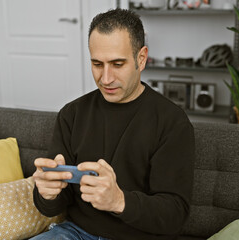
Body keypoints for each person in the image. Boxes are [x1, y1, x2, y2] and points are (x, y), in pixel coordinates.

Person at [31, 8, 195, 240]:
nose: (105, 78)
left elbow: (175, 215)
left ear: (141, 58)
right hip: (76, 233)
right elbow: (55, 206)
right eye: (97, 64)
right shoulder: (72, 114)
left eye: (117, 64)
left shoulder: (172, 122)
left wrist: (119, 201)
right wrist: (46, 195)